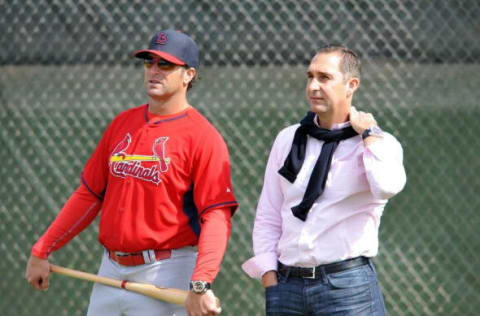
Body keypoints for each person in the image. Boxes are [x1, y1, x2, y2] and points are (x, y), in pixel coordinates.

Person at [25, 29, 238, 316]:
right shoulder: (123, 123)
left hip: (166, 270)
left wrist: (200, 283)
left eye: (165, 65)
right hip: (110, 270)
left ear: (188, 74)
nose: (154, 71)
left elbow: (216, 215)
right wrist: (42, 249)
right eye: (149, 62)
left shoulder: (203, 137)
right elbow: (89, 195)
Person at [242, 45, 406, 315]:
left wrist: (370, 134)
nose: (313, 86)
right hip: (286, 287)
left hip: (347, 288)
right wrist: (269, 275)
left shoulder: (377, 143)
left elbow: (387, 186)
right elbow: (269, 214)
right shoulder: (289, 138)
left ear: (351, 85)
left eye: (324, 78)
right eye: (310, 76)